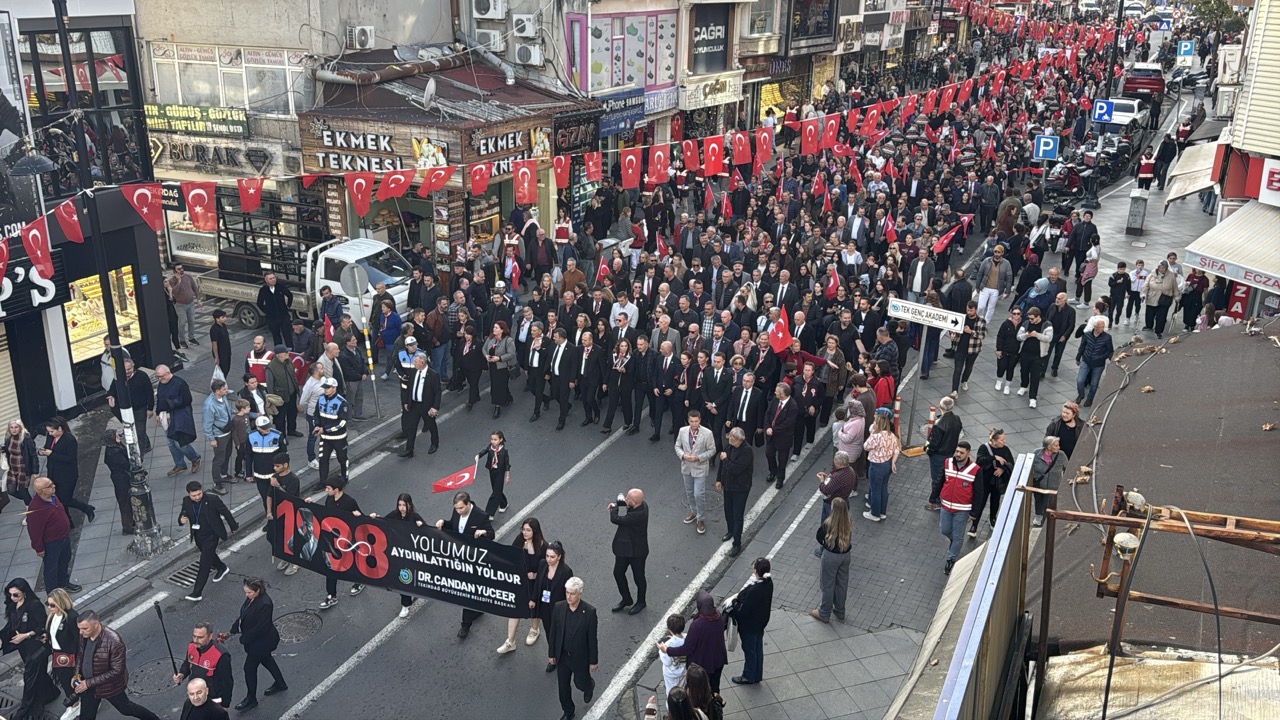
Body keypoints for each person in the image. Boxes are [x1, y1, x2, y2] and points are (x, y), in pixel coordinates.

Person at [73, 610, 162, 720]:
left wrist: (88, 683)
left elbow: (117, 671)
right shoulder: (84, 635)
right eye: (80, 629)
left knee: (126, 708)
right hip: (88, 686)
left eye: (84, 629)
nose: (81, 632)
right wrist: (76, 674)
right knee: (86, 716)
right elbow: (80, 654)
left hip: (109, 686)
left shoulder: (114, 642)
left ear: (96, 624)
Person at [434, 491, 494, 638]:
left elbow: (492, 534)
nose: (458, 511)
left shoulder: (480, 516)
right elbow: (454, 527)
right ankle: (478, 608)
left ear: (468, 504)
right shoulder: (457, 512)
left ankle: (465, 625)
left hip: (474, 561)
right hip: (459, 559)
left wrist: (483, 532)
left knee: (467, 592)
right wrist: (443, 522)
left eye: (461, 508)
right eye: (456, 508)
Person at [2, 577, 59, 717]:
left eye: (16, 594)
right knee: (39, 675)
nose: (13, 597)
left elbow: (42, 625)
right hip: (24, 648)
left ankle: (26, 710)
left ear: (24, 592)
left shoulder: (34, 605)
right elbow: (11, 625)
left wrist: (25, 635)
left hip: (37, 647)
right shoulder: (12, 605)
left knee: (30, 678)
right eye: (10, 594)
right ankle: (51, 693)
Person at [230, 578, 287, 711]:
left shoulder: (265, 604)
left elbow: (262, 627)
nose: (246, 595)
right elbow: (244, 613)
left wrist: (245, 638)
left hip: (262, 643)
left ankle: (251, 699)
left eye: (249, 592)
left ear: (258, 591)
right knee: (267, 660)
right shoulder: (252, 598)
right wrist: (235, 626)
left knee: (249, 668)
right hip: (258, 642)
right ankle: (280, 683)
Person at [178, 481, 238, 602]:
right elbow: (184, 513)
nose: (197, 497)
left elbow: (225, 512)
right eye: (193, 495)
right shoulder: (186, 501)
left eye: (199, 494)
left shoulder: (212, 499)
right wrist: (181, 520)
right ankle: (221, 567)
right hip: (198, 535)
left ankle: (197, 592)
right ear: (188, 494)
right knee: (209, 555)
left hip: (212, 534)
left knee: (204, 562)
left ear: (202, 490)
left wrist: (233, 526)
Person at [547, 576, 598, 720]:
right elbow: (553, 633)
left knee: (580, 683)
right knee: (563, 688)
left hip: (580, 657)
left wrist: (593, 661)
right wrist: (551, 654)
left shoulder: (589, 612)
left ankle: (588, 686)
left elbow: (592, 639)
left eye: (572, 593)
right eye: (567, 593)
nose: (568, 596)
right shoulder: (559, 607)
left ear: (580, 594)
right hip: (563, 656)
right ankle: (568, 711)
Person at [660, 591, 727, 693]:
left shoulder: (697, 625)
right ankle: (716, 704)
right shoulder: (718, 616)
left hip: (703, 663)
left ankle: (704, 706)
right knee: (714, 686)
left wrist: (667, 650)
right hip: (718, 659)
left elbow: (687, 648)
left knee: (701, 690)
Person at [497, 517, 547, 653]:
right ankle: (510, 641)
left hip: (535, 584)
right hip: (521, 581)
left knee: (535, 608)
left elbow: (547, 566)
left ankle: (534, 630)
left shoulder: (543, 546)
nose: (525, 532)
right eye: (523, 529)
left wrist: (536, 575)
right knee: (515, 609)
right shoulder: (520, 541)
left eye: (528, 530)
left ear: (535, 531)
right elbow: (511, 556)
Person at [315, 476, 366, 609]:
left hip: (347, 540)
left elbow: (362, 519)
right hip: (333, 540)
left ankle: (359, 582)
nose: (326, 491)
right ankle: (331, 595)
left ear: (336, 490)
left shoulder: (349, 502)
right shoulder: (329, 499)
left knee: (351, 563)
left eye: (328, 488)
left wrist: (358, 516)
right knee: (331, 567)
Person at [38, 418, 95, 526]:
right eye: (49, 432)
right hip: (53, 473)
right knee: (58, 500)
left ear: (60, 428)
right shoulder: (51, 437)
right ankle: (68, 522)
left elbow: (70, 459)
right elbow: (47, 448)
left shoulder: (69, 440)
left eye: (52, 431)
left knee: (65, 499)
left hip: (67, 475)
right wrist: (42, 452)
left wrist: (51, 454)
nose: (50, 434)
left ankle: (86, 508)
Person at [26, 477, 79, 592]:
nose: (53, 486)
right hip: (52, 543)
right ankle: (53, 593)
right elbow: (34, 530)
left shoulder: (53, 497)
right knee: (51, 568)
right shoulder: (36, 508)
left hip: (64, 537)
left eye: (52, 484)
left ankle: (63, 583)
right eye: (49, 486)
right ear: (41, 491)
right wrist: (38, 548)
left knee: (65, 560)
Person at [727, 557, 772, 685]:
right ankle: (757, 674)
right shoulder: (768, 583)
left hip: (750, 626)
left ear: (757, 571)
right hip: (760, 623)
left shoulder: (754, 590)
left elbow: (742, 611)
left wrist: (734, 604)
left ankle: (748, 675)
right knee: (757, 648)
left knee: (750, 650)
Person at [532, 541, 574, 671]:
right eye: (547, 556)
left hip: (559, 610)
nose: (549, 559)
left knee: (561, 633)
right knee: (550, 633)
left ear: (559, 557)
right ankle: (553, 658)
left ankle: (565, 655)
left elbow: (569, 593)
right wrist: (533, 599)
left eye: (552, 557)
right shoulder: (543, 564)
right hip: (545, 607)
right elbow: (538, 583)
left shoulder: (566, 571)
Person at [939, 442, 979, 575]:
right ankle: (954, 541)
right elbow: (941, 480)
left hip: (962, 509)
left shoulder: (975, 469)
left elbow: (979, 493)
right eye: (957, 451)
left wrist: (974, 513)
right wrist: (934, 496)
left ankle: (951, 559)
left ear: (968, 453)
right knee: (944, 530)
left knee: (958, 536)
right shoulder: (947, 463)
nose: (958, 454)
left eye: (961, 452)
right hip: (946, 505)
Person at [172, 621, 233, 708]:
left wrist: (225, 705)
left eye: (200, 637)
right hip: (195, 696)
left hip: (213, 699)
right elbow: (187, 663)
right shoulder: (191, 646)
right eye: (194, 636)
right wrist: (182, 674)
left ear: (210, 636)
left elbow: (227, 683)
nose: (196, 640)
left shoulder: (221, 655)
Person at [675, 410, 717, 535]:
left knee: (699, 494)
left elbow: (712, 450)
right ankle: (694, 512)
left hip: (699, 467)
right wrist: (683, 455)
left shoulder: (707, 433)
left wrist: (698, 457)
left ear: (700, 420)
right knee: (689, 492)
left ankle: (701, 518)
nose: (694, 424)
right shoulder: (682, 431)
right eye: (692, 421)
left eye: (696, 421)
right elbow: (677, 446)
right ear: (688, 420)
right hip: (686, 467)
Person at [155, 366, 202, 476]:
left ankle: (195, 458)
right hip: (166, 416)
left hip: (180, 417)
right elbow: (160, 400)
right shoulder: (161, 383)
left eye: (161, 377)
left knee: (180, 443)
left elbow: (187, 400)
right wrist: (158, 413)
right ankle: (180, 464)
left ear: (168, 373)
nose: (159, 379)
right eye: (158, 377)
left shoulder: (180, 383)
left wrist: (169, 403)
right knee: (171, 443)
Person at [609, 488, 649, 615]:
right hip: (625, 549)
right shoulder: (641, 504)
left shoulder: (637, 516)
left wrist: (613, 507)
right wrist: (622, 502)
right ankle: (626, 598)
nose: (626, 500)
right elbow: (628, 504)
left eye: (628, 499)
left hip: (637, 552)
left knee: (639, 577)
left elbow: (615, 519)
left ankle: (641, 602)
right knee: (618, 573)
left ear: (635, 503)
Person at [812, 497, 852, 623]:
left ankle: (824, 612)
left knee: (828, 584)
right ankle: (840, 610)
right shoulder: (848, 521)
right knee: (842, 583)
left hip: (831, 555)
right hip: (845, 554)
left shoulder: (828, 523)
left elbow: (819, 537)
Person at [715, 428, 753, 555]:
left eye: (731, 436)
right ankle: (730, 530)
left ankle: (737, 543)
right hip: (728, 486)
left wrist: (726, 460)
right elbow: (722, 465)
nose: (728, 438)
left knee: (737, 515)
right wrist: (719, 479)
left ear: (738, 439)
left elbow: (736, 469)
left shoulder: (747, 451)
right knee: (728, 511)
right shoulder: (729, 447)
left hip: (740, 488)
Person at [105, 359, 154, 456]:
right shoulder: (118, 377)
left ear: (133, 366)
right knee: (134, 429)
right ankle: (146, 444)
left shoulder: (142, 376)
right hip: (123, 409)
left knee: (140, 432)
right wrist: (110, 396)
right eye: (125, 370)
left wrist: (150, 408)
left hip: (139, 408)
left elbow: (149, 392)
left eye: (129, 369)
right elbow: (112, 389)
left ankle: (139, 457)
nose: (127, 371)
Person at [396, 353, 441, 458]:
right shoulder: (413, 372)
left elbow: (437, 392)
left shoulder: (433, 375)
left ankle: (435, 443)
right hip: (414, 405)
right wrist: (407, 402)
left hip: (426, 406)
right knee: (411, 427)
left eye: (415, 362)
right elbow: (409, 388)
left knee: (431, 425)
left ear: (422, 362)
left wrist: (435, 407)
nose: (413, 363)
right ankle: (409, 449)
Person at [972, 428, 1015, 533]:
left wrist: (1002, 469)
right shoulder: (984, 448)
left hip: (997, 482)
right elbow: (980, 461)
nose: (1004, 441)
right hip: (984, 481)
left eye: (1004, 439)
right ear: (994, 441)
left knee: (995, 502)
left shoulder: (1005, 449)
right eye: (1001, 439)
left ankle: (992, 519)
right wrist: (994, 457)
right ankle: (974, 525)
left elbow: (1011, 464)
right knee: (980, 502)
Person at [925, 397, 962, 511]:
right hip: (951, 453)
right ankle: (945, 499)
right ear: (952, 407)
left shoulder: (939, 424)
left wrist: (929, 452)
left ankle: (936, 501)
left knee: (936, 479)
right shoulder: (957, 419)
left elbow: (934, 444)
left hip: (939, 456)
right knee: (946, 478)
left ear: (940, 407)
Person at [863, 409, 900, 522]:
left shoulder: (876, 436)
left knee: (875, 490)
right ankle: (882, 512)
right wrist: (893, 462)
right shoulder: (892, 436)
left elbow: (866, 446)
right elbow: (897, 449)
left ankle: (875, 513)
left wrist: (873, 433)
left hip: (876, 465)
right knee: (883, 488)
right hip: (887, 464)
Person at [267, 454, 300, 576]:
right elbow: (269, 495)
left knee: (290, 539)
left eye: (277, 466)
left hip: (290, 513)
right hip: (276, 513)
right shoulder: (274, 477)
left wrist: (278, 486)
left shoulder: (293, 479)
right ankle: (285, 556)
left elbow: (291, 498)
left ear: (285, 465)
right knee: (272, 536)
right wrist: (269, 512)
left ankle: (295, 562)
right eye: (274, 466)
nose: (275, 468)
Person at [102, 429, 139, 535]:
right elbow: (126, 464)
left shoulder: (114, 449)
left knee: (126, 501)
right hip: (121, 479)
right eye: (116, 436)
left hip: (120, 477)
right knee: (125, 502)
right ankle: (128, 526)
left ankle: (130, 523)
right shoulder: (114, 452)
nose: (119, 436)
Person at [313, 377, 350, 480]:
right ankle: (323, 481)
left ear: (334, 388)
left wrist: (324, 429)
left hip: (339, 438)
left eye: (328, 388)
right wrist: (316, 425)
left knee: (342, 459)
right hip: (325, 438)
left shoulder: (342, 403)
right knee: (323, 459)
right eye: (325, 387)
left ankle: (344, 477)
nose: (325, 390)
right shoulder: (320, 399)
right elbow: (316, 414)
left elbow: (341, 423)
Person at [1016, 307, 1053, 408]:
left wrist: (1037, 335)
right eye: (1029, 318)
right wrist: (1026, 335)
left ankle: (1033, 397)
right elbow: (1018, 336)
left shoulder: (1047, 325)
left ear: (1038, 317)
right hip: (1025, 353)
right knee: (1023, 371)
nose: (1030, 320)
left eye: (1032, 319)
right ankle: (1023, 386)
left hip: (1038, 355)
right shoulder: (1026, 323)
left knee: (1035, 376)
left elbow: (1049, 338)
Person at [764, 383, 798, 489]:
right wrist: (767, 427)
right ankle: (773, 472)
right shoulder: (775, 400)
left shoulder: (792, 406)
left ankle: (780, 478)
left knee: (782, 460)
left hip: (783, 438)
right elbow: (768, 413)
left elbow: (787, 423)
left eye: (777, 391)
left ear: (782, 394)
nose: (774, 393)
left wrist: (773, 430)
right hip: (771, 436)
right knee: (769, 454)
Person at [201, 380, 233, 494]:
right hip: (219, 435)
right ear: (217, 391)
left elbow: (227, 410)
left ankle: (224, 475)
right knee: (219, 459)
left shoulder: (223, 397)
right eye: (224, 389)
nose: (226, 391)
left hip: (228, 431)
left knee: (227, 454)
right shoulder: (209, 405)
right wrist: (211, 439)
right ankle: (217, 483)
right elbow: (206, 424)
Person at [1075, 317, 1113, 407]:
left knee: (1094, 384)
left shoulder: (1107, 337)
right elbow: (1082, 346)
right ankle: (1081, 395)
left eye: (1102, 326)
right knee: (1080, 380)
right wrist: (1078, 357)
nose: (1101, 328)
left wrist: (1101, 357)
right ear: (1095, 326)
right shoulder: (1087, 335)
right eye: (1099, 326)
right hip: (1086, 360)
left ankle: (1090, 399)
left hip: (1098, 364)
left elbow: (1110, 351)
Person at [484, 320, 518, 419]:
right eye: (494, 327)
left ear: (502, 330)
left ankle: (497, 406)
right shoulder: (491, 338)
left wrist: (499, 358)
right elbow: (484, 348)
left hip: (503, 367)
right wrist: (486, 356)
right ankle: (508, 396)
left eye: (496, 328)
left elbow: (511, 354)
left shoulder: (508, 340)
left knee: (498, 387)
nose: (494, 329)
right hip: (492, 366)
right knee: (497, 385)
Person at [265, 347, 302, 438]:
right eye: (286, 352)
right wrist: (272, 399)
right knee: (280, 418)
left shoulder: (288, 361)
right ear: (279, 355)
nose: (288, 353)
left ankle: (292, 430)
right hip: (280, 397)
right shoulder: (271, 367)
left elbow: (292, 374)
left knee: (292, 413)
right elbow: (270, 385)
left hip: (291, 394)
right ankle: (282, 436)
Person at [1031, 436, 1066, 527]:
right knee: (1038, 500)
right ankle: (1038, 516)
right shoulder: (1036, 453)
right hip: (1038, 484)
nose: (1059, 447)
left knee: (1048, 503)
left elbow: (1068, 468)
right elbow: (1029, 468)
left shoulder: (1061, 455)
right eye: (1056, 446)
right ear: (1049, 447)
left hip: (1052, 485)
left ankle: (1047, 520)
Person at [4, 419, 39, 507]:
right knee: (11, 491)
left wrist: (35, 471)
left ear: (20, 428)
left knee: (24, 491)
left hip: (23, 469)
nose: (14, 430)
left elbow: (33, 455)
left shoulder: (26, 439)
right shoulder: (8, 438)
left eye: (16, 427)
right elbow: (9, 450)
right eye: (11, 428)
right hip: (12, 469)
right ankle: (33, 503)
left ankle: (31, 511)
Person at [476, 431, 512, 517]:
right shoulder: (490, 447)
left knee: (496, 492)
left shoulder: (504, 451)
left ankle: (489, 513)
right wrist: (478, 455)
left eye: (495, 439)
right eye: (492, 439)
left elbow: (507, 464)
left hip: (500, 472)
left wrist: (507, 476)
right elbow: (485, 451)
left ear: (500, 440)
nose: (493, 441)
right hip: (492, 471)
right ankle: (504, 503)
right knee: (496, 489)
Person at [167, 262, 202, 347]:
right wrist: (179, 281)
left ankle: (191, 338)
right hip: (180, 305)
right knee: (182, 323)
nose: (181, 270)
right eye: (179, 269)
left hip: (190, 303)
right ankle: (182, 340)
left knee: (192, 321)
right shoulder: (172, 281)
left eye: (182, 268)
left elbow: (195, 288)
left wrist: (199, 299)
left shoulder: (188, 277)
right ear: (174, 271)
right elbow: (174, 292)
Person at [256, 271, 293, 347]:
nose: (273, 280)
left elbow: (290, 295)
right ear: (266, 280)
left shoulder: (280, 286)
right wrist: (267, 311)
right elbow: (259, 303)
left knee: (288, 335)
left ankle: (291, 352)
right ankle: (279, 352)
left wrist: (288, 306)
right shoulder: (263, 290)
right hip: (272, 318)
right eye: (270, 279)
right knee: (276, 336)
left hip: (283, 316)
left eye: (274, 278)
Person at [209, 310, 232, 381]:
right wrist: (216, 357)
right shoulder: (214, 329)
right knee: (223, 371)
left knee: (227, 369)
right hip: (221, 353)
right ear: (217, 319)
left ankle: (224, 386)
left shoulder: (223, 326)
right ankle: (220, 387)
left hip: (227, 351)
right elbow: (214, 343)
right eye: (222, 317)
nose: (225, 318)